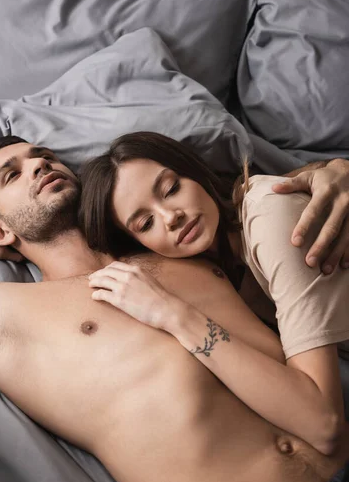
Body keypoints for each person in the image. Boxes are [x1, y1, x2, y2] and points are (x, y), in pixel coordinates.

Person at [0, 135, 349, 482]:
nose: (38, 166)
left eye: (44, 156)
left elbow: (268, 207)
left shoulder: (175, 239)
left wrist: (335, 171)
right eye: (12, 174)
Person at [79, 131, 349, 452]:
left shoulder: (268, 217)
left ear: (193, 172)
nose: (171, 217)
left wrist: (173, 315)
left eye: (171, 189)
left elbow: (325, 425)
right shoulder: (226, 271)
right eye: (145, 224)